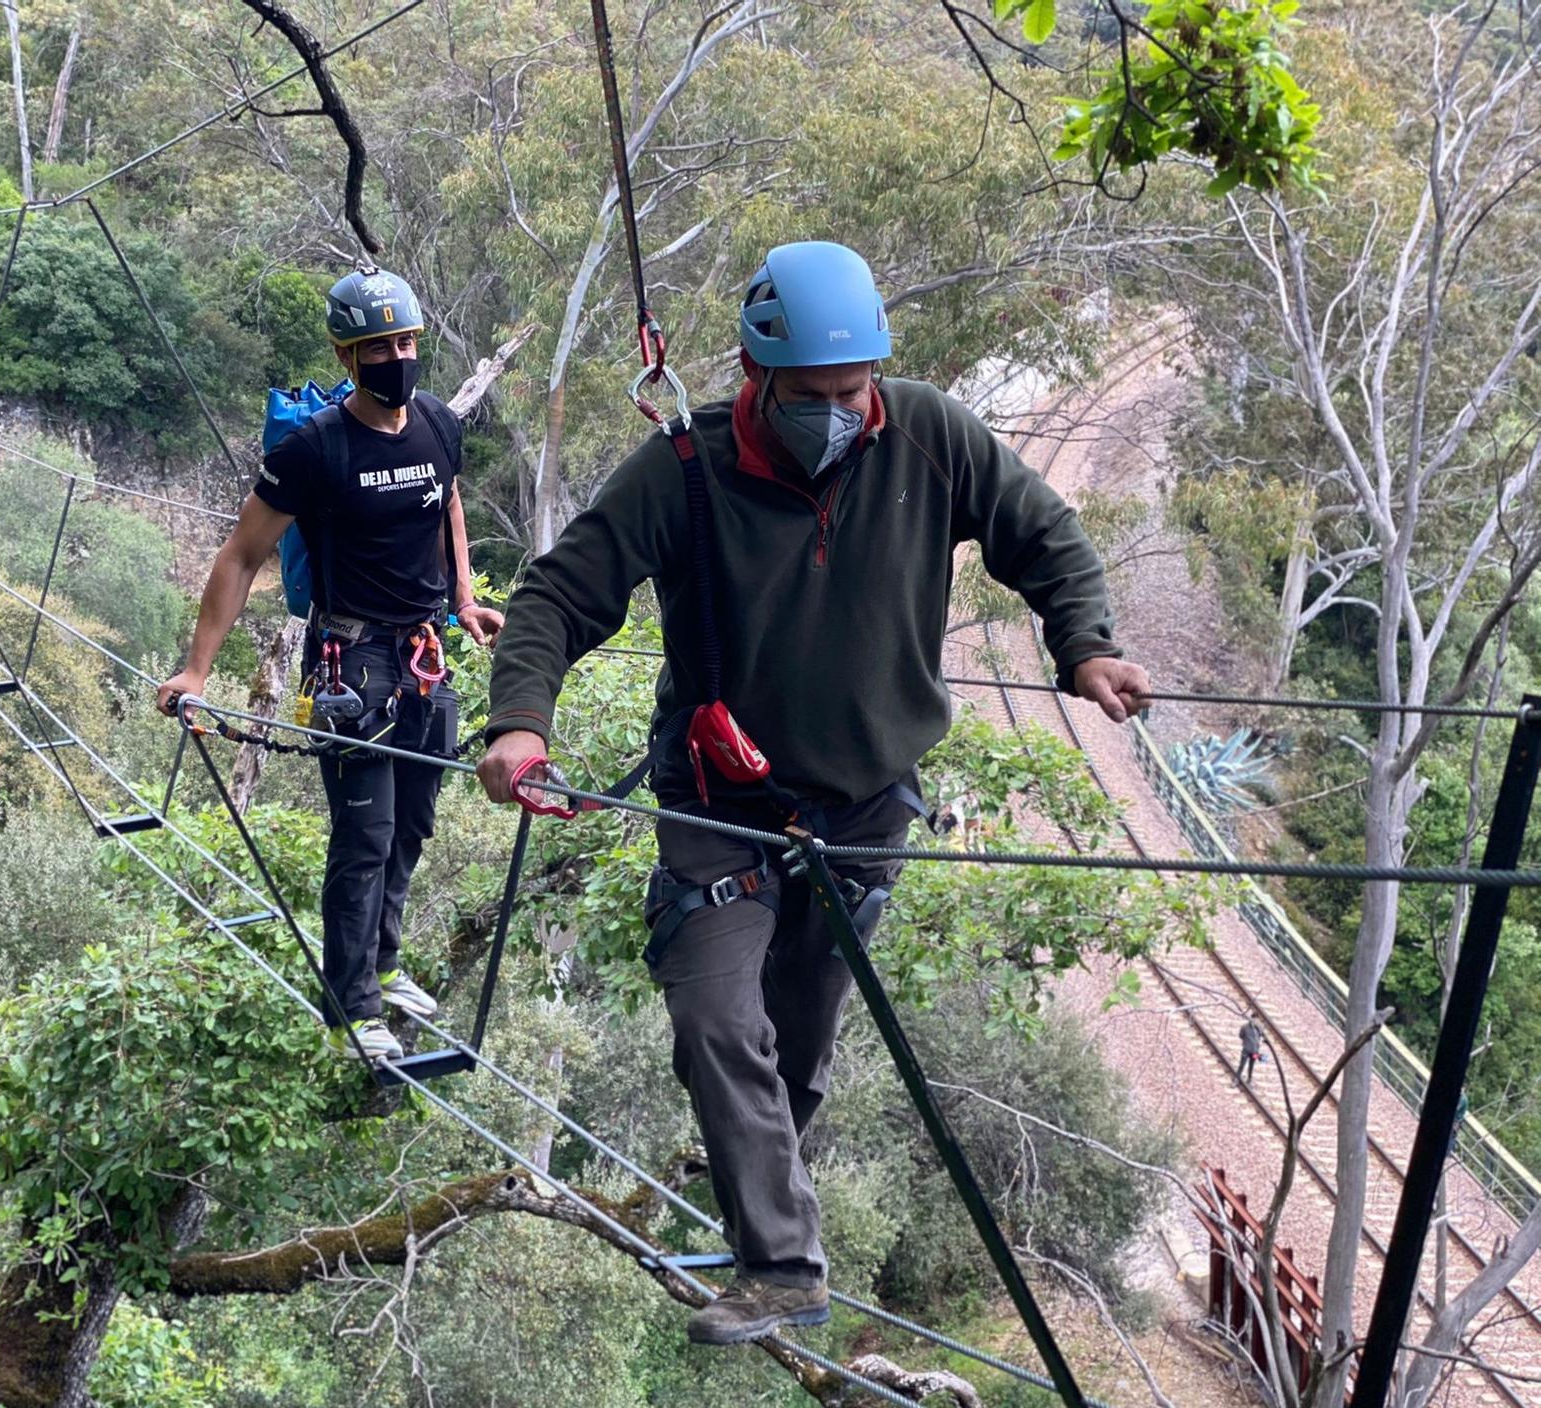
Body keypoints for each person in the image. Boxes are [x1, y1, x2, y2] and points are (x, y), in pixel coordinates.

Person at [477, 241, 1150, 1345]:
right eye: (813, 395)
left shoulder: (927, 433)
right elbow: (558, 594)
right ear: (756, 376)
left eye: (855, 389)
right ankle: (782, 1264)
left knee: (797, 1039)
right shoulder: (685, 468)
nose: (840, 410)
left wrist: (1083, 645)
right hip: (716, 804)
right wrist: (520, 723)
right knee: (711, 1017)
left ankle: (757, 1171)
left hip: (863, 813)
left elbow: (1043, 533)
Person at [155, 267, 502, 1061]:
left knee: (412, 820)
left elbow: (446, 499)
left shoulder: (441, 425)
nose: (398, 358)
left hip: (423, 653)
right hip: (351, 661)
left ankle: (383, 963)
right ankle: (350, 1007)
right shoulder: (314, 450)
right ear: (348, 357)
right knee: (366, 833)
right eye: (380, 346)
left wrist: (463, 595)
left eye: (407, 342)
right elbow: (243, 556)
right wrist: (198, 671)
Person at [1238, 1015, 1266, 1086]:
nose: (1255, 1021)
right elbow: (1241, 1035)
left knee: (1251, 1065)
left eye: (1256, 1020)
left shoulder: (1260, 1028)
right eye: (1254, 1019)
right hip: (1247, 1049)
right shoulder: (1245, 1027)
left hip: (1255, 1050)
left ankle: (1249, 1079)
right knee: (1242, 1065)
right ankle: (1237, 1078)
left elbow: (1261, 1036)